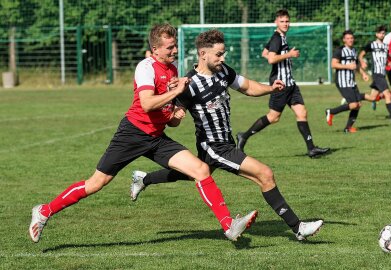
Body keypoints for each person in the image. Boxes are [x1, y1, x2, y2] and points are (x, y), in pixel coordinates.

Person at [28, 24, 257, 243]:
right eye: (169, 47)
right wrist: (177, 91)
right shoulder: (145, 67)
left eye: (175, 45)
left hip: (156, 137)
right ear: (155, 49)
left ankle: (228, 225)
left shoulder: (172, 68)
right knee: (96, 183)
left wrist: (173, 114)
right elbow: (147, 104)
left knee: (201, 169)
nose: (175, 50)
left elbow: (165, 110)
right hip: (133, 133)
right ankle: (44, 211)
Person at [130, 29, 324, 241]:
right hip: (214, 147)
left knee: (192, 173)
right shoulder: (188, 84)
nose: (222, 58)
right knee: (265, 174)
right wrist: (174, 113)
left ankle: (144, 179)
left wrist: (271, 89)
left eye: (223, 54)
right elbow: (174, 121)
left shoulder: (223, 71)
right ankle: (298, 227)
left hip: (225, 142)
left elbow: (248, 87)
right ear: (203, 54)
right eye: (218, 54)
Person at [235, 9, 330, 158]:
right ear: (276, 22)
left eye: (287, 21)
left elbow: (265, 53)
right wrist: (289, 55)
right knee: (273, 117)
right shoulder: (277, 38)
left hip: (290, 84)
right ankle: (244, 136)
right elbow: (272, 59)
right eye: (282, 21)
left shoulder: (281, 37)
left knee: (302, 112)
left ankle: (311, 148)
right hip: (281, 85)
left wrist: (279, 56)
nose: (285, 24)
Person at [325, 30, 369, 133]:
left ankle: (348, 128)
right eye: (348, 38)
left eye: (351, 38)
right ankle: (331, 112)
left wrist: (363, 74)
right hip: (342, 81)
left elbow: (356, 65)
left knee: (358, 105)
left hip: (351, 82)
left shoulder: (354, 50)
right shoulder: (339, 50)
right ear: (344, 40)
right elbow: (333, 64)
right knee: (354, 104)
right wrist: (347, 66)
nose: (350, 40)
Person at [358, 25, 391, 124]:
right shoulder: (371, 44)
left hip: (383, 74)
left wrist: (388, 63)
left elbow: (385, 59)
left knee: (373, 97)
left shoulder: (386, 46)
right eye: (380, 33)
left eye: (383, 33)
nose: (382, 34)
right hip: (377, 74)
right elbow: (361, 55)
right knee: (387, 94)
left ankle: (354, 96)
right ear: (376, 34)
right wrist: (362, 62)